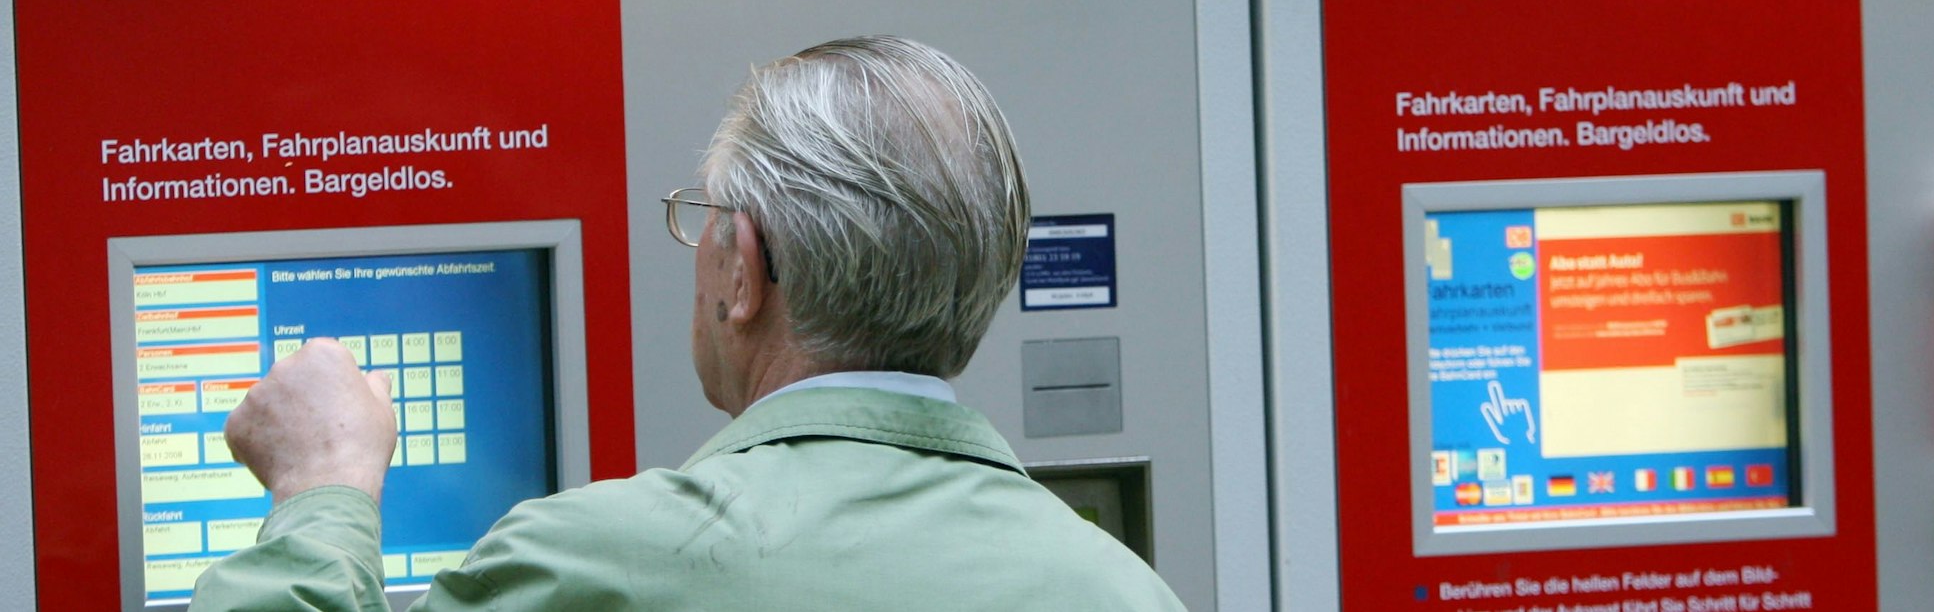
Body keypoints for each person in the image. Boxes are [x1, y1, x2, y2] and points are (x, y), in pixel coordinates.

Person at [192, 35, 1187, 611]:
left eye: (702, 221)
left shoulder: (605, 565)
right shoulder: (1118, 590)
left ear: (742, 269)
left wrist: (320, 488)